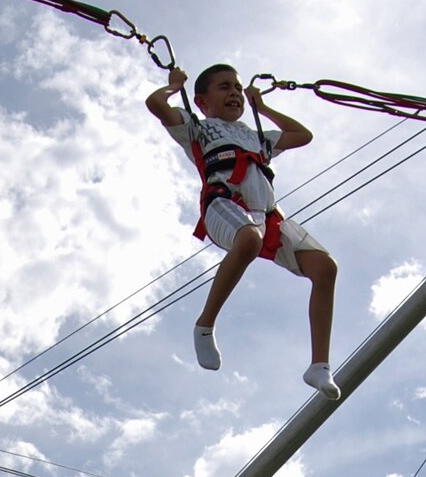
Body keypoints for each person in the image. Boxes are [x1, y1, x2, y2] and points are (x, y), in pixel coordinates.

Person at [145, 63, 339, 398]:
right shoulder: (197, 128)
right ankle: (205, 324)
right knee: (249, 239)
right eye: (224, 87)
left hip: (268, 216)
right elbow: (155, 104)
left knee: (325, 268)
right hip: (223, 203)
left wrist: (262, 107)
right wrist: (174, 86)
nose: (234, 93)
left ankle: (318, 366)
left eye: (236, 87)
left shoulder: (256, 136)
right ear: (202, 102)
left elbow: (302, 135)